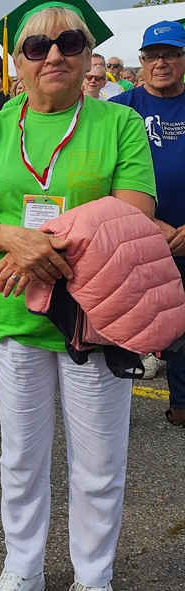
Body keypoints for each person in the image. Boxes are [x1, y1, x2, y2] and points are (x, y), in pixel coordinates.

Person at [0, 0, 157, 591]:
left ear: (88, 54)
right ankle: (24, 566)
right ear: (16, 61)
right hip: (16, 318)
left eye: (70, 43)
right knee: (22, 456)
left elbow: (136, 210)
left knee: (99, 462)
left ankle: (93, 578)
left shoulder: (119, 122)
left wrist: (42, 244)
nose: (54, 55)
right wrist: (14, 241)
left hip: (96, 319)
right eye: (37, 46)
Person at [111, 21, 185, 418]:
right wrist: (146, 222)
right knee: (128, 324)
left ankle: (182, 404)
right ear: (141, 61)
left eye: (171, 54)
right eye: (152, 56)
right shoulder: (120, 110)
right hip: (134, 237)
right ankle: (112, 415)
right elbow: (101, 178)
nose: (161, 63)